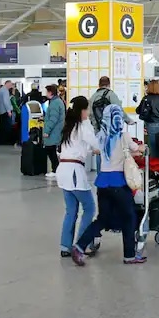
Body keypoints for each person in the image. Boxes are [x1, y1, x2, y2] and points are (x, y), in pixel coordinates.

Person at [70, 104, 147, 266]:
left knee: (103, 218)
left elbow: (102, 152)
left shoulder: (101, 136)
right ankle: (129, 255)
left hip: (102, 184)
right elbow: (136, 148)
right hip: (119, 183)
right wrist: (142, 148)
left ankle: (79, 246)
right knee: (129, 217)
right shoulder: (123, 135)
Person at [57, 96, 100, 258]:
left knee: (71, 211)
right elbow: (95, 144)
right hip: (75, 172)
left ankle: (65, 246)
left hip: (64, 170)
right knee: (89, 208)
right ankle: (82, 245)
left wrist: (89, 150)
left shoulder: (69, 127)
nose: (88, 112)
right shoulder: (84, 125)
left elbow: (72, 147)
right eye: (87, 109)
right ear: (82, 110)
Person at [136, 79, 159, 158]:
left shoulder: (146, 98)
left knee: (153, 146)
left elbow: (138, 110)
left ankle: (154, 164)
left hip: (152, 124)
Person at [43, 85, 65, 179]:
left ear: (50, 92)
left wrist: (47, 130)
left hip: (53, 131)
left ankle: (55, 169)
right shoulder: (58, 101)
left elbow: (53, 118)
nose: (45, 94)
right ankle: (56, 169)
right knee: (51, 149)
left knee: (50, 149)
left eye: (47, 92)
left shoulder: (55, 103)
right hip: (57, 130)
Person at [0, 80, 15, 145]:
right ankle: (6, 141)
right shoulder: (5, 91)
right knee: (7, 127)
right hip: (5, 111)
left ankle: (1, 140)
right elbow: (6, 102)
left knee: (2, 126)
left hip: (1, 111)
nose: (10, 86)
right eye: (10, 85)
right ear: (7, 84)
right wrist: (9, 111)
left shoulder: (1, 90)